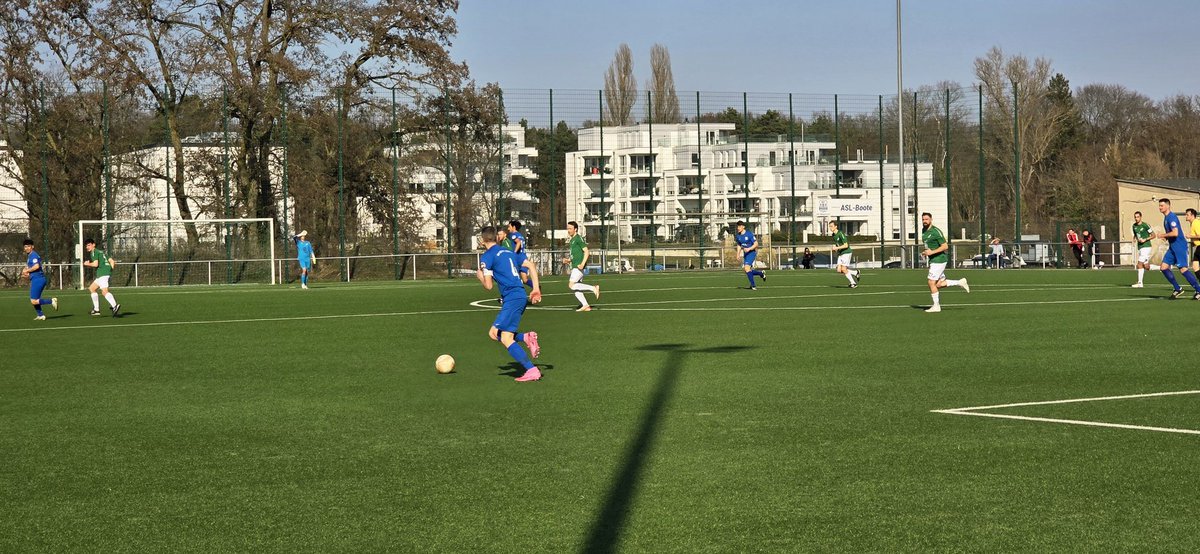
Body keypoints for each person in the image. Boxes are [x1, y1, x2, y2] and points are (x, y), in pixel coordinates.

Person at [477, 225, 544, 382]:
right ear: (497, 238)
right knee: (498, 334)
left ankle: (532, 370)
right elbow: (531, 266)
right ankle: (526, 337)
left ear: (482, 240)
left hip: (512, 298)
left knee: (499, 335)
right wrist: (535, 289)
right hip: (519, 295)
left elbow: (488, 286)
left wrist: (479, 275)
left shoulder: (487, 257)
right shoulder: (510, 252)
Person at [920, 213, 969, 313]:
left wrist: (931, 252)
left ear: (931, 219)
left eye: (927, 219)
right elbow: (930, 246)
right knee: (938, 284)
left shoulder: (936, 232)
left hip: (939, 260)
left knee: (931, 282)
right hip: (933, 260)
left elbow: (945, 246)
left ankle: (936, 306)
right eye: (923, 219)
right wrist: (926, 252)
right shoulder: (924, 231)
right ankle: (960, 282)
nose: (925, 221)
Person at [1154, 198, 1200, 299]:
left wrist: (1162, 235)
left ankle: (1198, 290)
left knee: (1183, 269)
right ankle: (1178, 289)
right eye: (1159, 205)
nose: (1160, 207)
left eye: (1161, 205)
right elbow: (1172, 234)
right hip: (1172, 247)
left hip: (1179, 246)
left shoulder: (1172, 217)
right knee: (1163, 267)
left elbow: (1175, 233)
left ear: (1168, 206)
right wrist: (1166, 237)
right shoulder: (1166, 218)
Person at [564, 221, 600, 312]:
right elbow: (576, 255)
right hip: (575, 266)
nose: (568, 230)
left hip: (578, 267)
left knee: (571, 285)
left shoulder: (578, 238)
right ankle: (586, 305)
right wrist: (568, 260)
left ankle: (593, 288)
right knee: (576, 290)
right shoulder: (572, 240)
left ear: (575, 229)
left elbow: (586, 251)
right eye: (568, 228)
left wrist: (582, 264)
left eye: (570, 228)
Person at [20, 238, 57, 320]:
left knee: (33, 301)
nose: (26, 248)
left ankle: (51, 301)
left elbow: (37, 266)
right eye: (25, 246)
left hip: (38, 280)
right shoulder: (30, 256)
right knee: (35, 299)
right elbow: (33, 269)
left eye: (28, 246)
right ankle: (40, 315)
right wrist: (26, 273)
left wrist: (27, 270)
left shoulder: (33, 255)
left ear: (32, 246)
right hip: (36, 279)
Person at [83, 238, 120, 317]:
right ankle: (96, 310)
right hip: (103, 274)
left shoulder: (94, 252)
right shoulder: (101, 252)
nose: (87, 247)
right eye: (86, 246)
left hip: (102, 274)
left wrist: (87, 264)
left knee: (104, 292)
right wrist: (109, 271)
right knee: (92, 288)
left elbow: (96, 264)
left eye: (89, 245)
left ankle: (114, 306)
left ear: (94, 245)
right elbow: (112, 261)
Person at [733, 221, 766, 290]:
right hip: (746, 254)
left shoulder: (749, 234)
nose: (738, 228)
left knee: (746, 268)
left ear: (743, 227)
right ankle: (761, 274)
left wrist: (749, 249)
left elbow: (756, 244)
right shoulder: (738, 235)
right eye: (737, 226)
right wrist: (738, 254)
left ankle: (753, 286)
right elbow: (739, 245)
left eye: (739, 226)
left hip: (752, 253)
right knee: (747, 270)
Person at [829, 221, 861, 287]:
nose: (830, 228)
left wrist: (837, 247)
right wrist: (836, 248)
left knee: (843, 269)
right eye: (829, 226)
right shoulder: (833, 235)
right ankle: (855, 272)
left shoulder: (840, 233)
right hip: (841, 253)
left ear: (835, 226)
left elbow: (846, 245)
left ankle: (853, 283)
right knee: (838, 270)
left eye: (831, 226)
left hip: (846, 252)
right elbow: (838, 243)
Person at [506, 220, 533, 288]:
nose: (508, 228)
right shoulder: (520, 235)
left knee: (511, 277)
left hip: (517, 259)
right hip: (523, 257)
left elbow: (518, 242)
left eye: (509, 227)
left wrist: (514, 253)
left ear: (514, 227)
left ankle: (507, 296)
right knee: (525, 280)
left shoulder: (513, 235)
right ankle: (536, 287)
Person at [1130, 211, 1153, 288]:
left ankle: (1140, 283)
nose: (1136, 218)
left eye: (1137, 217)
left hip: (1146, 246)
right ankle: (1163, 268)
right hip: (1140, 247)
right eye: (1135, 217)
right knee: (1146, 266)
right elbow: (1136, 235)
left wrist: (1145, 239)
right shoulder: (1134, 226)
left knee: (1139, 264)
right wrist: (1134, 240)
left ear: (1141, 217)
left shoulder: (1145, 225)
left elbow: (1153, 235)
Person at [1188, 208, 1200, 274]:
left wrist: (1190, 236)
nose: (1186, 216)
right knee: (1195, 267)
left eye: (1187, 215)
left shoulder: (1196, 223)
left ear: (1192, 215)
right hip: (1198, 247)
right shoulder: (1193, 223)